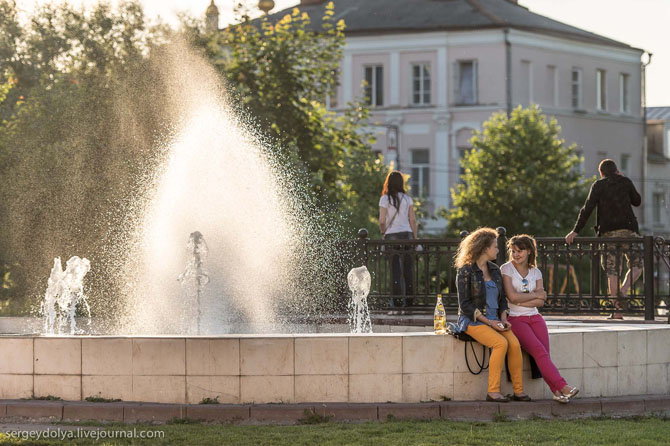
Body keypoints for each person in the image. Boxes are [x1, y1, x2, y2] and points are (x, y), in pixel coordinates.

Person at [501, 235, 580, 404]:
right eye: (513, 251)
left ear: (529, 251)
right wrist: (533, 295)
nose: (516, 254)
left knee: (545, 355)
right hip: (516, 319)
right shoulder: (506, 269)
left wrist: (526, 297)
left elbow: (541, 301)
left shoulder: (536, 272)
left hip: (536, 318)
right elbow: (512, 297)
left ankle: (556, 393)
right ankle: (564, 387)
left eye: (520, 251)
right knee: (539, 351)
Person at [455, 227, 529, 403]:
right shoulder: (465, 271)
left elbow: (503, 299)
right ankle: (493, 392)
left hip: (496, 320)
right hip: (474, 320)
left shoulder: (495, 270)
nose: (497, 250)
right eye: (495, 246)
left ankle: (519, 392)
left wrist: (503, 319)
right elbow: (465, 305)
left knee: (514, 344)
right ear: (484, 248)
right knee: (500, 344)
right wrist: (489, 322)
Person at [565, 159, 642, 319]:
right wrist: (623, 179)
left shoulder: (598, 185)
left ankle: (617, 311)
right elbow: (637, 201)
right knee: (638, 265)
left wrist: (575, 231)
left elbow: (587, 208)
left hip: (608, 235)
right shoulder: (625, 182)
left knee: (612, 271)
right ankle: (624, 290)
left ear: (601, 173)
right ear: (616, 170)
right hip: (629, 232)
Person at [379, 171, 418, 307]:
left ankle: (396, 300)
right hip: (407, 235)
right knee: (408, 269)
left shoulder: (385, 199)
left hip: (392, 237)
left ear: (388, 182)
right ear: (401, 183)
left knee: (395, 269)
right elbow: (412, 220)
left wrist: (383, 233)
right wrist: (415, 238)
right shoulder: (407, 199)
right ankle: (410, 300)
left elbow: (382, 220)